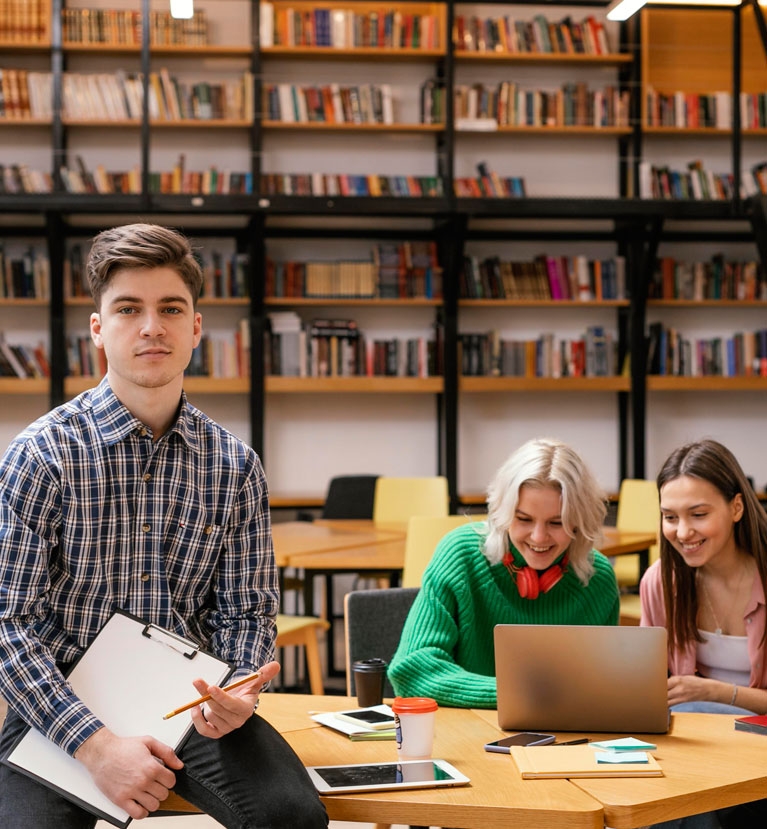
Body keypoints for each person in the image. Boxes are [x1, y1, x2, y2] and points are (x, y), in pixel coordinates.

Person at [0, 223, 328, 828]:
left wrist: (239, 690)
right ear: (98, 329)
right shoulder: (41, 456)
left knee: (293, 816)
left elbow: (247, 610)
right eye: (129, 309)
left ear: (196, 328)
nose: (152, 326)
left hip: (189, 697)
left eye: (171, 308)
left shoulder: (234, 465)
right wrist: (95, 746)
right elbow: (9, 625)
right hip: (60, 699)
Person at [388, 437, 620, 708]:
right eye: (523, 519)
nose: (539, 537)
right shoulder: (460, 555)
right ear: (502, 513)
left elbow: (603, 687)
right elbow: (410, 671)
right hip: (466, 727)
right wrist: (519, 695)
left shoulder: (598, 578)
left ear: (580, 522)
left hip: (564, 731)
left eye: (557, 523)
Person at [640, 438, 767, 829]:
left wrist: (713, 692)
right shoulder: (661, 582)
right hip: (701, 743)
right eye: (670, 517)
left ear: (736, 507)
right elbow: (645, 684)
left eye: (698, 514)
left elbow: (695, 699)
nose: (682, 531)